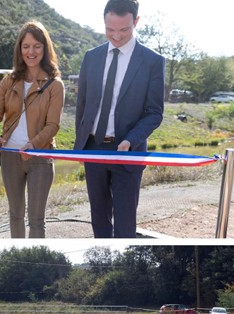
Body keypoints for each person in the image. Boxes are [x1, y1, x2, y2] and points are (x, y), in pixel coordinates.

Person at [74, 0, 165, 238]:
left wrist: (131, 140)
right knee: (99, 223)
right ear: (104, 22)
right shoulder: (91, 57)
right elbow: (82, 105)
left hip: (128, 151)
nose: (115, 36)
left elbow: (154, 112)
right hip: (93, 148)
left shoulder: (152, 61)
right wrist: (79, 147)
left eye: (123, 30)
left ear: (136, 22)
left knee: (125, 227)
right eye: (109, 29)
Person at [0, 21, 65, 238]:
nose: (31, 51)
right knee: (15, 215)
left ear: (45, 48)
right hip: (10, 155)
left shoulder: (55, 85)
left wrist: (34, 144)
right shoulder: (8, 81)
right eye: (26, 46)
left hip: (39, 155)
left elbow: (53, 125)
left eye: (37, 46)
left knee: (37, 220)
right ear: (20, 49)